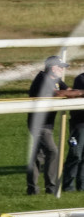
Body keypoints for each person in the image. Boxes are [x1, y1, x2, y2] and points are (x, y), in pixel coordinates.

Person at [25, 56, 84, 195]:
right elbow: (58, 93)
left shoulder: (55, 79)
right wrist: (81, 92)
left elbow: (68, 91)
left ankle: (32, 189)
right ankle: (51, 188)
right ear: (53, 67)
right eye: (60, 67)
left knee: (38, 156)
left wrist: (74, 93)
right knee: (53, 152)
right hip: (39, 124)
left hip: (47, 123)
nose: (62, 70)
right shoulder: (43, 79)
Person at [63, 69, 84, 192]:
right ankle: (68, 186)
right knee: (75, 155)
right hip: (79, 123)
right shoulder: (81, 79)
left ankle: (82, 186)